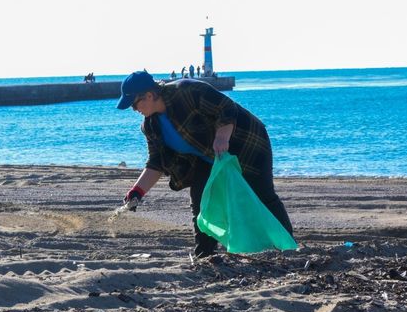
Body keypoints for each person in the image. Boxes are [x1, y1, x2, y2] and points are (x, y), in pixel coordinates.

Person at [116, 70, 294, 258]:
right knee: (201, 204)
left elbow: (226, 108)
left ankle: (289, 247)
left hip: (247, 143)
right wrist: (137, 192)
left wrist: (222, 136)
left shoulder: (186, 91)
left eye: (134, 104)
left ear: (149, 95)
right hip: (206, 158)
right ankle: (205, 255)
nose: (134, 110)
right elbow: (156, 163)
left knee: (263, 195)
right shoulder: (150, 126)